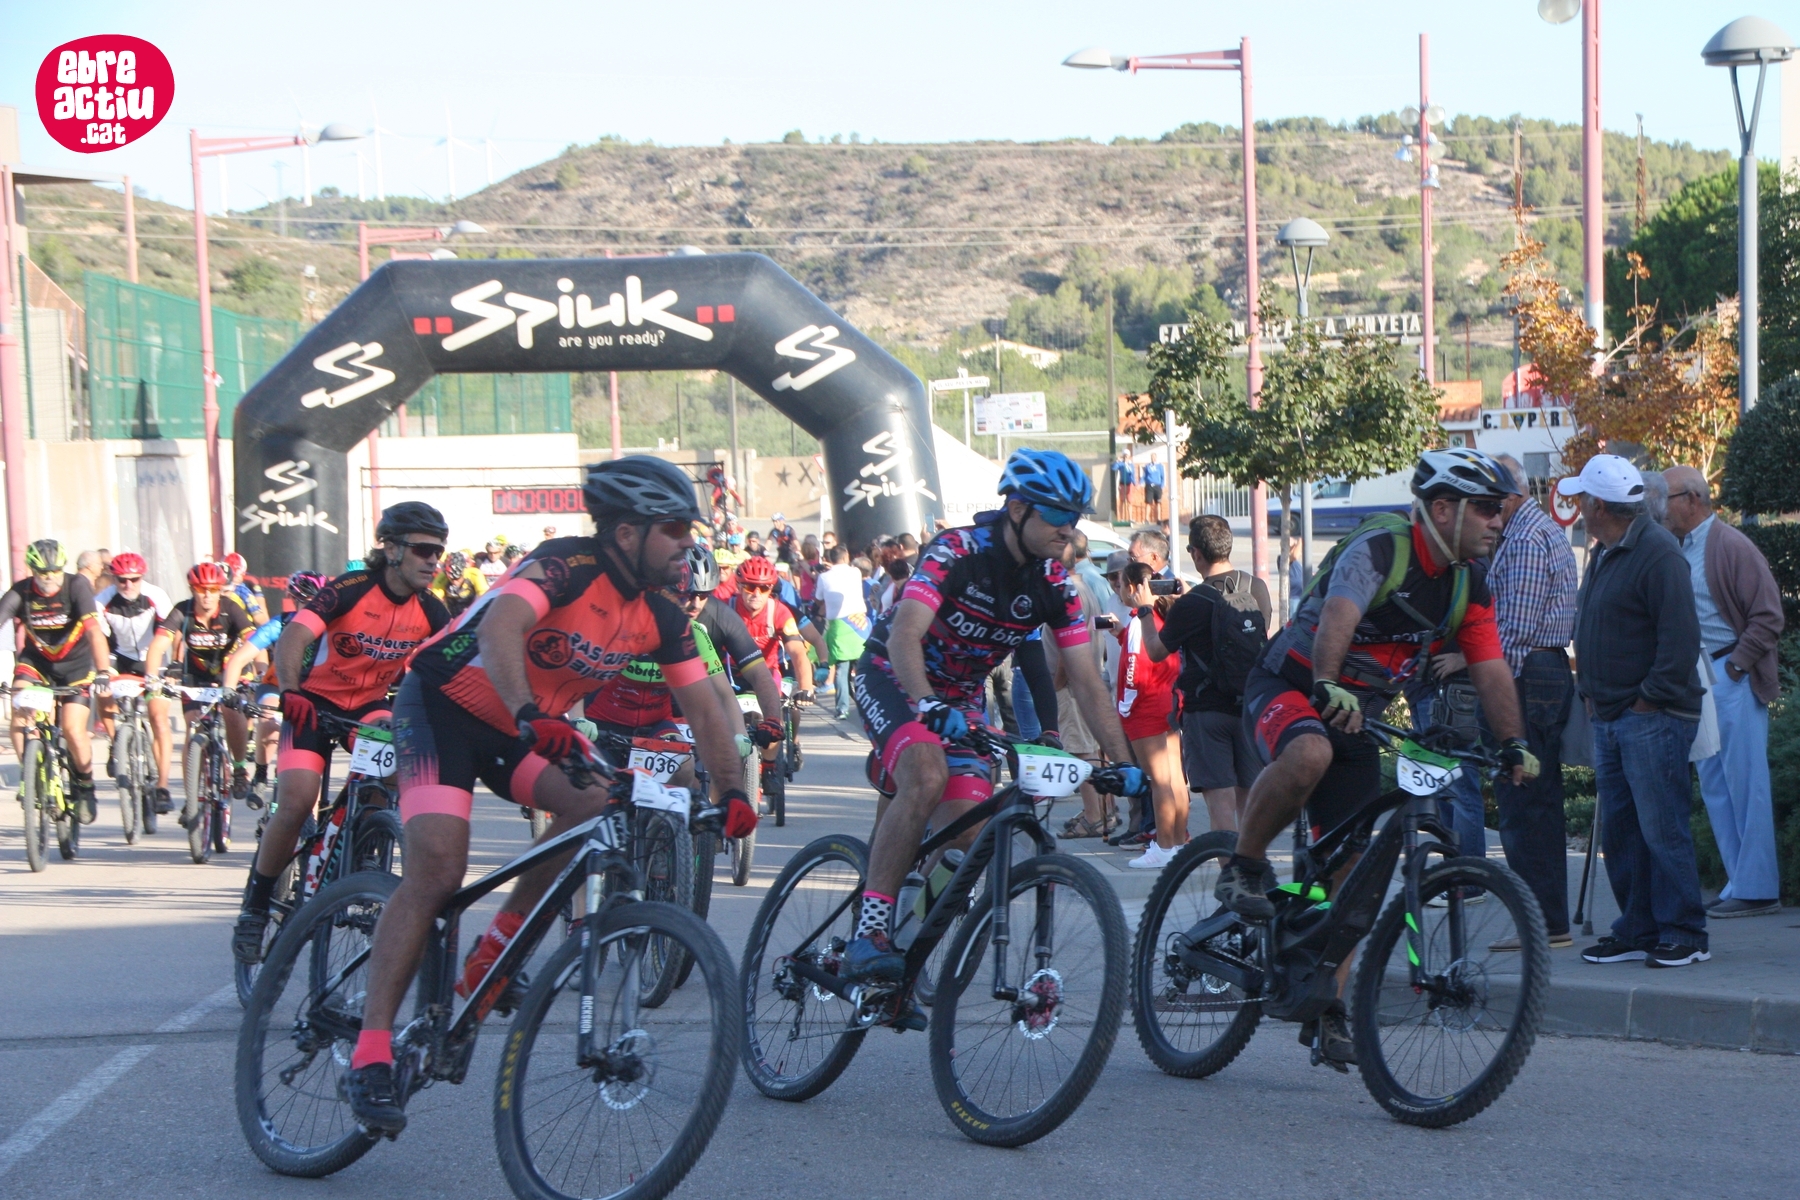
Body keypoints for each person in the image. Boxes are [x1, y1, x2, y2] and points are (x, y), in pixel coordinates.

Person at [340, 459, 754, 1134]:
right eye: (675, 528)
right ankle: (372, 1051)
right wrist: (530, 713)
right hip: (445, 707)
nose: (688, 542)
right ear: (628, 533)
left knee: (595, 803)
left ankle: (494, 952)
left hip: (528, 725)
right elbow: (500, 628)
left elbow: (705, 709)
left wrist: (730, 789)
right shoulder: (566, 566)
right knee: (438, 869)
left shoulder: (661, 613)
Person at [1216, 449, 1539, 1066]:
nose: (1498, 520)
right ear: (1442, 509)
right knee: (1309, 751)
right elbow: (1339, 615)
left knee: (1353, 876)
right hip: (1291, 684)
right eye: (1486, 508)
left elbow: (1491, 666)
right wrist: (1326, 681)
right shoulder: (1383, 548)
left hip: (1358, 715)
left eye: (1500, 509)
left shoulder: (1468, 583)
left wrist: (1513, 742)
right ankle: (1243, 865)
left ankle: (1327, 1004)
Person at [843, 449, 1149, 986]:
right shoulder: (956, 550)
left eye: (1075, 517)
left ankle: (905, 940)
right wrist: (926, 703)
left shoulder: (1055, 584)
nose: (1068, 528)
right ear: (1018, 510)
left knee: (969, 834)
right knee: (926, 773)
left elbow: (1085, 680)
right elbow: (905, 635)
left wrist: (1124, 764)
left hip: (960, 696)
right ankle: (869, 930)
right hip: (894, 675)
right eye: (1057, 515)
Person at [231, 503, 454, 966]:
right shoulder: (350, 590)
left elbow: (453, 665)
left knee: (393, 768)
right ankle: (256, 905)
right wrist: (290, 690)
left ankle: (366, 844)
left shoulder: (431, 608)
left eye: (439, 551)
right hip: (314, 703)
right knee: (296, 801)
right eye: (423, 550)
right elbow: (294, 636)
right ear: (391, 550)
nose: (433, 560)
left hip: (369, 706)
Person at [1559, 455, 1709, 968]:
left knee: (1661, 828)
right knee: (1624, 832)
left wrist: (1648, 700)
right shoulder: (1608, 549)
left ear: (1598, 506)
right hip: (1613, 715)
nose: (1578, 508)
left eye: (1582, 499)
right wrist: (1594, 694)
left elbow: (1680, 640)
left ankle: (1684, 932)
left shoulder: (1657, 552)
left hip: (1651, 717)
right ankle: (1639, 928)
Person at [1663, 465, 1784, 919]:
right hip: (1701, 676)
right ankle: (1739, 882)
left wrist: (1736, 666)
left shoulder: (1731, 545)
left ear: (1692, 499)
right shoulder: (1679, 547)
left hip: (1731, 674)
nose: (1660, 509)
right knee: (1716, 785)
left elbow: (1768, 615)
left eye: (1666, 498)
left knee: (1745, 784)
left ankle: (1759, 889)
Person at [1483, 455, 1579, 949]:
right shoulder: (1538, 530)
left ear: (1508, 496)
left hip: (1527, 675)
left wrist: (1474, 668)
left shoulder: (1523, 538)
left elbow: (1512, 632)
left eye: (1486, 500)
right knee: (1535, 800)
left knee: (1524, 800)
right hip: (1543, 670)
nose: (1482, 511)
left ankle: (1539, 923)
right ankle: (1547, 921)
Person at [1140, 514, 1271, 835]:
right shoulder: (1256, 588)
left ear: (1196, 553)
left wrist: (1144, 610)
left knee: (1220, 807)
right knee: (1249, 803)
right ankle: (1252, 863)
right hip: (1249, 708)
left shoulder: (1192, 602)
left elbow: (1156, 651)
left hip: (1206, 712)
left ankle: (1228, 865)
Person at [0, 539, 112, 823]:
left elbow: (94, 632)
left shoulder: (76, 586)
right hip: (36, 664)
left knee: (73, 730)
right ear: (32, 571)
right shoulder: (22, 591)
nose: (49, 578)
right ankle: (30, 774)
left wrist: (103, 671)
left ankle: (85, 785)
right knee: (20, 712)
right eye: (42, 573)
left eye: (54, 571)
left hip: (76, 667)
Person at [144, 561, 257, 804]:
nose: (207, 595)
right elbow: (158, 645)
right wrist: (152, 678)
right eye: (201, 589)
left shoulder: (231, 608)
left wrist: (261, 669)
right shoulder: (182, 610)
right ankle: (191, 800)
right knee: (193, 727)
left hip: (230, 671)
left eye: (213, 589)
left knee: (232, 712)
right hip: (196, 675)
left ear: (220, 590)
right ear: (192, 589)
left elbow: (255, 641)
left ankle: (239, 769)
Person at [224, 571, 329, 800]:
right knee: (268, 718)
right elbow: (239, 659)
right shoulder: (281, 623)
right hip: (276, 686)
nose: (313, 609)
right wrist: (228, 690)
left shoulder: (333, 626)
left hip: (314, 691)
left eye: (318, 603)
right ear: (294, 600)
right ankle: (261, 773)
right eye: (306, 603)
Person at [1111, 561, 1187, 867]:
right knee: (1174, 778)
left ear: (1133, 588)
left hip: (1145, 708)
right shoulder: (1161, 615)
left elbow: (1133, 669)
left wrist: (1124, 707)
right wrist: (1121, 634)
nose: (1119, 591)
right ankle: (1177, 842)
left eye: (1120, 585)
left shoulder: (1139, 621)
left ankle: (1163, 847)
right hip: (1167, 702)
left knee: (1159, 781)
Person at [93, 552, 176, 807]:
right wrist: (103, 671)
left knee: (158, 718)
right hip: (119, 658)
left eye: (134, 579)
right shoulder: (102, 601)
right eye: (122, 580)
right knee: (102, 692)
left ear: (142, 577)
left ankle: (162, 787)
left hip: (154, 658)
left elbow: (173, 633)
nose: (128, 585)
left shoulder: (156, 596)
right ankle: (116, 742)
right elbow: (97, 639)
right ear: (114, 579)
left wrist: (173, 667)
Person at [730, 554, 815, 790]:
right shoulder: (725, 607)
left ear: (771, 589)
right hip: (731, 674)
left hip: (766, 675)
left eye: (764, 588)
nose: (756, 594)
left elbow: (797, 652)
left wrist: (806, 687)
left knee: (773, 721)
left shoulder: (779, 612)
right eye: (750, 587)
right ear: (739, 586)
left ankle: (769, 767)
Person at [816, 543, 870, 720]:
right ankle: (868, 705)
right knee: (863, 666)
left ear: (830, 559)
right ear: (846, 556)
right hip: (859, 622)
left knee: (841, 669)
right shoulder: (855, 572)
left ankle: (842, 709)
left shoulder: (824, 577)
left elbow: (818, 598)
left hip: (838, 625)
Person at [431, 549, 487, 618]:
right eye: (452, 579)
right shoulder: (442, 577)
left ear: (464, 570)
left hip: (472, 615)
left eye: (458, 578)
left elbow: (485, 598)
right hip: (451, 617)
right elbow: (433, 600)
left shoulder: (475, 574)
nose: (455, 582)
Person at [222, 551, 271, 625]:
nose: (231, 580)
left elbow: (262, 620)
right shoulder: (213, 585)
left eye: (234, 576)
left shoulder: (245, 589)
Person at [1143, 458, 1166, 523]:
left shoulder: (1160, 466)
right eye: (1152, 457)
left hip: (1157, 486)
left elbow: (1162, 476)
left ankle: (1158, 519)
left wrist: (1162, 485)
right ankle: (1146, 519)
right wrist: (1141, 482)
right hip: (1149, 486)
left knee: (1158, 503)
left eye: (1154, 457)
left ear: (1156, 458)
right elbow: (1144, 476)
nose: (1153, 459)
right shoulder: (1148, 466)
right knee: (1148, 503)